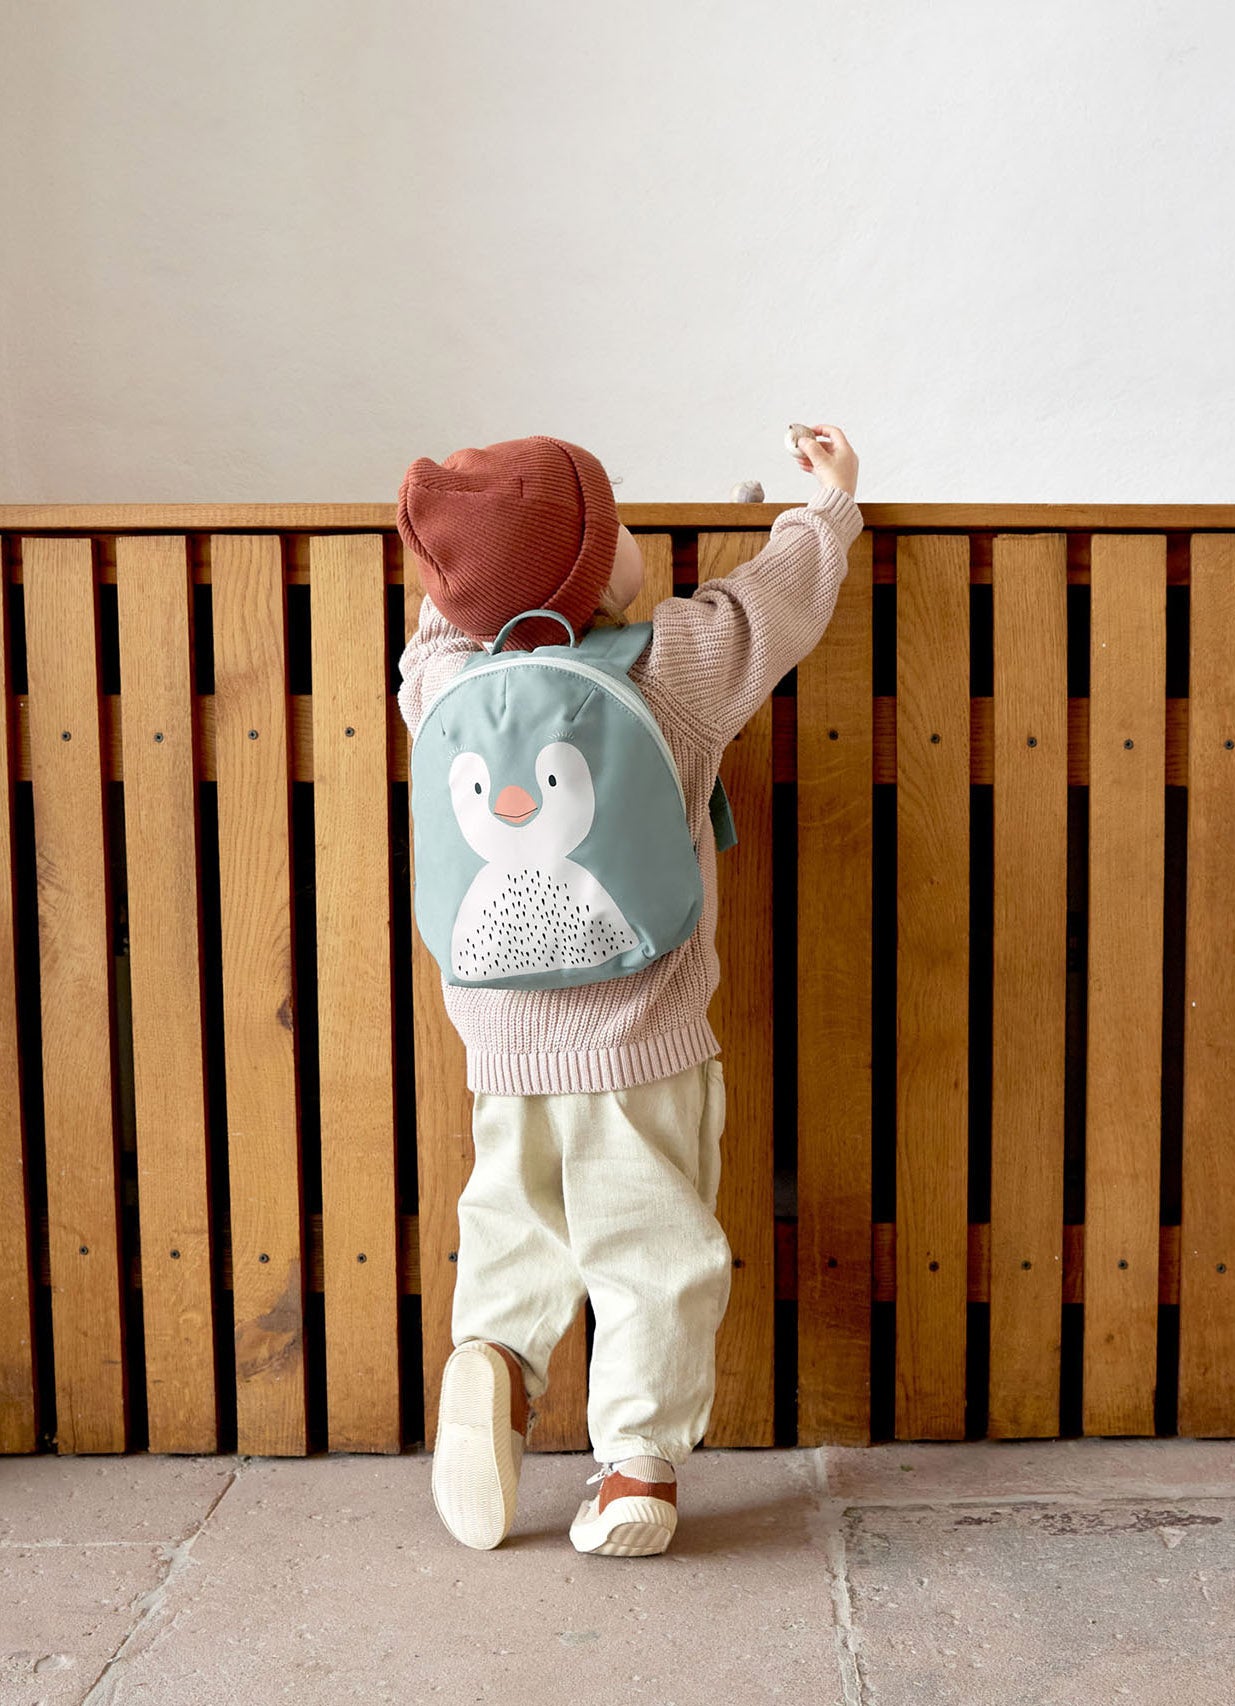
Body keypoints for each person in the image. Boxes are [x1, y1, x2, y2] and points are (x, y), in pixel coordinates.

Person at [394, 424, 862, 1557]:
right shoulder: (674, 664)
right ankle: (635, 1469)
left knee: (512, 1214)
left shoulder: (441, 678)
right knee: (651, 1246)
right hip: (642, 1042)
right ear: (600, 569)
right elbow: (774, 604)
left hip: (502, 1044)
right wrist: (826, 507)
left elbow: (445, 614)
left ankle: (493, 1356)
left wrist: (477, 550)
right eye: (618, 529)